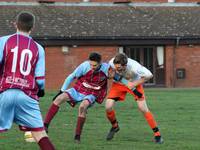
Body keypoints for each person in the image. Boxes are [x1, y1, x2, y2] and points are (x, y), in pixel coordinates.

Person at [0, 12, 55, 150]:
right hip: (27, 95)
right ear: (32, 27)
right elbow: (40, 80)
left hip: (5, 92)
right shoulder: (39, 48)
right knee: (40, 134)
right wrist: (41, 90)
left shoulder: (3, 41)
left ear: (15, 24)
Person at [44, 52, 113, 143]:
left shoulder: (107, 68)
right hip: (79, 89)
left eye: (95, 65)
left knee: (82, 106)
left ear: (100, 63)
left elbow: (116, 76)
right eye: (91, 64)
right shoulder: (84, 66)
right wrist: (61, 91)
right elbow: (71, 77)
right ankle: (45, 125)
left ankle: (77, 136)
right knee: (59, 99)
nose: (92, 67)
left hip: (93, 93)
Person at [105, 53, 163, 144]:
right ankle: (115, 126)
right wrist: (111, 75)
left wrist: (134, 84)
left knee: (143, 108)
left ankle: (157, 135)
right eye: (116, 68)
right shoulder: (112, 63)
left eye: (119, 68)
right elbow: (109, 74)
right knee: (108, 106)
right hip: (119, 84)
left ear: (125, 65)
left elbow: (149, 75)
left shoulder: (134, 66)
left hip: (134, 83)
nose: (117, 70)